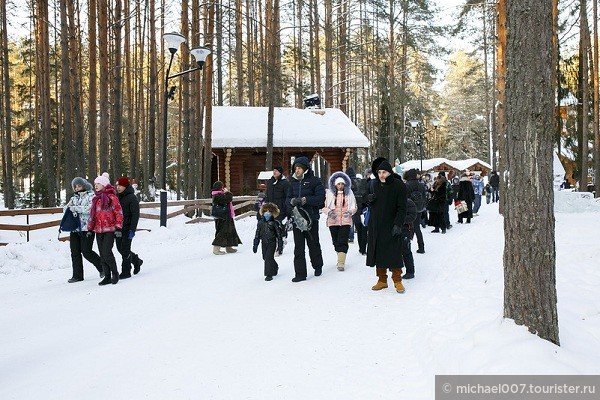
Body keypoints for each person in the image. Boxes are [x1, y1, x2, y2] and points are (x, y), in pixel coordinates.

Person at [366, 159, 407, 293]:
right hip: (376, 225)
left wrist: (398, 224)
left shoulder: (398, 185)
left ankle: (397, 280)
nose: (381, 175)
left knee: (394, 253)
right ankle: (382, 280)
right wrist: (369, 200)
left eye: (384, 172)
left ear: (389, 172)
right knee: (379, 253)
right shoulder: (374, 184)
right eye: (379, 172)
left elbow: (402, 207)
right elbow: (366, 201)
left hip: (392, 224)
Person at [285, 156, 325, 282]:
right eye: (295, 168)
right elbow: (286, 199)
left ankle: (317, 266)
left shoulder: (314, 181)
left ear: (305, 169)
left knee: (313, 244)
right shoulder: (292, 182)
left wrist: (305, 200)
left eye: (299, 168)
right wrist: (292, 201)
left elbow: (320, 198)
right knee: (298, 247)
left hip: (311, 218)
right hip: (297, 219)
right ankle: (300, 274)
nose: (297, 170)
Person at [88, 172, 123, 285]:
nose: (96, 185)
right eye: (95, 183)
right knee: (102, 255)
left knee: (107, 252)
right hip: (99, 230)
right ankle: (107, 276)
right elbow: (92, 215)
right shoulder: (96, 199)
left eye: (98, 183)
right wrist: (90, 229)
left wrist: (118, 228)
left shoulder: (112, 197)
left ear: (104, 184)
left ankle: (115, 273)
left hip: (110, 229)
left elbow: (118, 212)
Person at [65, 177, 103, 283]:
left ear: (84, 185)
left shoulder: (91, 196)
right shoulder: (74, 198)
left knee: (87, 251)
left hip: (88, 228)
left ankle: (102, 268)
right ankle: (77, 275)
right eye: (75, 186)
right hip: (75, 228)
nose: (77, 188)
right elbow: (66, 209)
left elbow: (90, 208)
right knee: (75, 252)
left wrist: (76, 208)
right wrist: (69, 208)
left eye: (79, 186)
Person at [323, 171, 357, 271]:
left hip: (345, 221)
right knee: (336, 241)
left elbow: (354, 206)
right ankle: (340, 256)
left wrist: (350, 212)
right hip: (333, 221)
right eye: (339, 184)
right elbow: (324, 206)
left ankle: (341, 262)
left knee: (342, 241)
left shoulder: (349, 193)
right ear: (335, 184)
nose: (340, 186)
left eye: (342, 184)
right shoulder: (329, 194)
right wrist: (329, 212)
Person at [115, 176, 144, 279]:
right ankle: (136, 260)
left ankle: (126, 271)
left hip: (128, 228)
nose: (118, 187)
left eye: (121, 185)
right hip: (118, 228)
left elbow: (135, 215)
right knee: (119, 248)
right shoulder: (117, 197)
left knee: (125, 249)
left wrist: (132, 229)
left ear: (126, 186)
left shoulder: (132, 198)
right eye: (117, 185)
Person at [252, 202, 285, 281]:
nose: (267, 213)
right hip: (264, 242)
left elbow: (279, 235)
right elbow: (257, 234)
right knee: (265, 257)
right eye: (265, 211)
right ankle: (274, 266)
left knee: (268, 257)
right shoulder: (260, 223)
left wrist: (280, 246)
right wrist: (255, 244)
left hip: (272, 242)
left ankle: (269, 274)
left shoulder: (274, 223)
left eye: (269, 212)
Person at [211, 181, 242, 255]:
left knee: (230, 230)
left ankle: (229, 247)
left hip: (226, 216)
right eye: (222, 186)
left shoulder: (220, 194)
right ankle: (216, 249)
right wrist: (228, 193)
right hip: (222, 217)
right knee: (222, 232)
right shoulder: (217, 195)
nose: (223, 188)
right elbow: (228, 198)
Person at [403, 168, 427, 254]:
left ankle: (407, 246)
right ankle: (421, 247)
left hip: (409, 209)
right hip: (419, 208)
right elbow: (424, 197)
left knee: (407, 228)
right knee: (417, 228)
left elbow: (404, 198)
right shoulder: (421, 185)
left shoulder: (406, 185)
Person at [401, 198, 418, 279]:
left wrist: (398, 219)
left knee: (406, 251)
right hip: (393, 229)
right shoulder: (391, 200)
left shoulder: (408, 202)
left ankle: (410, 271)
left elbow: (412, 216)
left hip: (406, 230)